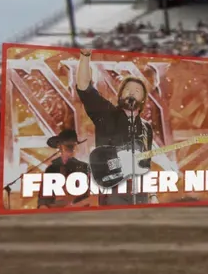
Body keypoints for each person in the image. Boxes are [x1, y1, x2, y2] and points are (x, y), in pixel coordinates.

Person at [75, 48, 155, 206]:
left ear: (143, 99)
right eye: (127, 89)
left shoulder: (146, 128)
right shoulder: (106, 113)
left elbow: (146, 163)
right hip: (112, 188)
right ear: (120, 95)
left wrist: (152, 194)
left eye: (137, 91)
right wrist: (85, 55)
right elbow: (84, 87)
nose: (132, 93)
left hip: (140, 192)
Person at [37, 127, 91, 209]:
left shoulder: (84, 168)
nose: (70, 150)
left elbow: (91, 198)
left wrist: (72, 207)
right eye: (68, 146)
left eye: (72, 146)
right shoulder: (51, 170)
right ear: (60, 147)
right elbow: (43, 201)